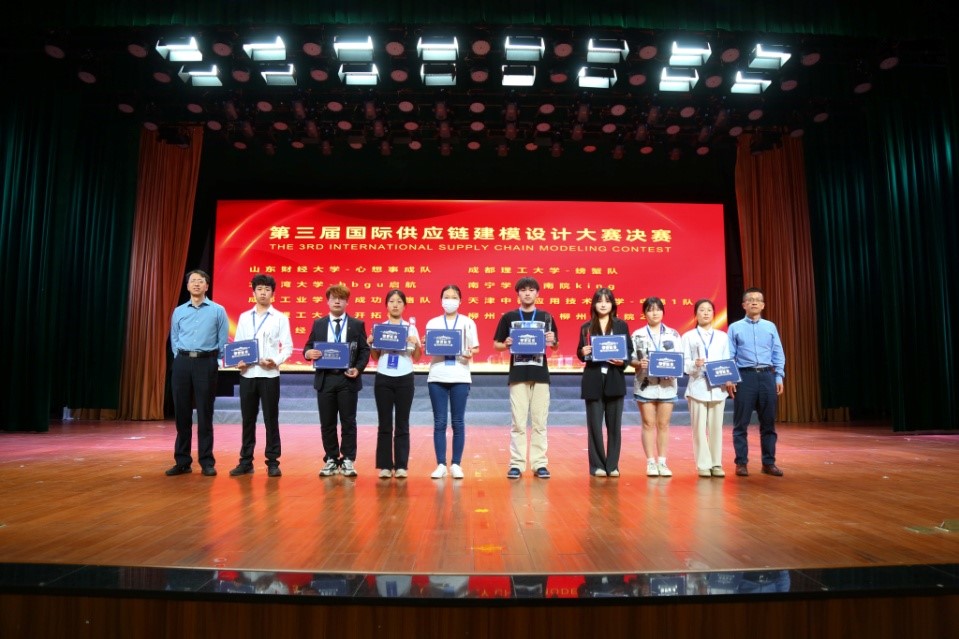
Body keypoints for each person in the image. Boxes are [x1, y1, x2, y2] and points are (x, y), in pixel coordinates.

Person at [493, 277, 559, 479]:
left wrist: (553, 341)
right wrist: (506, 343)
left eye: (531, 290)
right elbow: (497, 345)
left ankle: (540, 464)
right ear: (518, 293)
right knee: (518, 423)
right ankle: (517, 464)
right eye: (523, 290)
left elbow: (555, 346)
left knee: (540, 422)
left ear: (537, 293)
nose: (527, 293)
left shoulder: (546, 316)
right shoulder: (509, 317)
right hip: (518, 374)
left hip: (540, 374)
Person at [228, 274, 293, 478]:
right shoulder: (244, 317)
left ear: (273, 293)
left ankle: (272, 462)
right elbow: (238, 345)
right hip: (247, 374)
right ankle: (245, 461)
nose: (263, 293)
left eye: (267, 289)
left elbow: (288, 347)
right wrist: (238, 361)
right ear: (253, 292)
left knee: (270, 419)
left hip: (269, 374)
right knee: (248, 419)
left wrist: (276, 360)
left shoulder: (280, 318)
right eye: (259, 289)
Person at [303, 284, 371, 478]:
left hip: (347, 379)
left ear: (347, 302)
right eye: (334, 298)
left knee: (348, 421)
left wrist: (358, 368)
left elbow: (364, 350)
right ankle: (331, 458)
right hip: (325, 379)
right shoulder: (319, 324)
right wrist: (308, 353)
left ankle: (348, 458)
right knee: (327, 422)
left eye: (341, 298)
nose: (337, 301)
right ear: (328, 301)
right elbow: (307, 346)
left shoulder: (356, 324)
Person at [166, 269, 228, 477]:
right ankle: (182, 461)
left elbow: (222, 339)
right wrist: (179, 357)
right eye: (192, 281)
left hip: (206, 362)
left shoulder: (218, 310)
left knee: (204, 413)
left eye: (200, 281)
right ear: (187, 286)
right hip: (182, 363)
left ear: (207, 286)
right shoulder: (179, 311)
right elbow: (174, 338)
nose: (196, 284)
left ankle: (206, 461)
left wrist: (215, 361)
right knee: (182, 413)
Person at [726, 287, 786, 477]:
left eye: (758, 299)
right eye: (750, 299)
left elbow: (777, 352)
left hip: (767, 376)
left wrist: (779, 376)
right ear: (743, 305)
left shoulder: (770, 326)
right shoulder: (734, 327)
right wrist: (731, 377)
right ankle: (741, 463)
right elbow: (729, 354)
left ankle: (769, 463)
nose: (754, 302)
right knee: (741, 424)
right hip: (745, 377)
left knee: (768, 423)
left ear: (763, 305)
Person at [576, 287, 633, 477]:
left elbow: (628, 350)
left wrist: (622, 361)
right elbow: (580, 352)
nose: (603, 304)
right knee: (594, 426)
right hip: (593, 379)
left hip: (614, 378)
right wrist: (582, 352)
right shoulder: (586, 326)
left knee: (614, 426)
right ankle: (597, 466)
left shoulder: (621, 325)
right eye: (599, 301)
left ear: (612, 305)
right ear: (593, 304)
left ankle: (612, 465)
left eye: (607, 301)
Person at [425, 284, 479, 479]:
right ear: (441, 300)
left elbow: (475, 348)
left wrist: (470, 353)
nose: (450, 300)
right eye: (446, 297)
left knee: (458, 422)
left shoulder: (468, 322)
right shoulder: (433, 323)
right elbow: (428, 347)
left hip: (460, 376)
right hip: (437, 376)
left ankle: (456, 464)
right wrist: (426, 343)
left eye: (454, 297)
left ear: (460, 301)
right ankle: (441, 464)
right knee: (439, 422)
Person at [368, 289, 422, 479]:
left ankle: (401, 465)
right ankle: (384, 465)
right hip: (383, 377)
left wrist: (417, 344)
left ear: (404, 306)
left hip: (405, 377)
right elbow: (375, 357)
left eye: (399, 301)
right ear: (386, 305)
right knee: (384, 423)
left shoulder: (411, 328)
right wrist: (371, 343)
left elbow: (417, 357)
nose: (395, 305)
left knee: (402, 422)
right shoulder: (379, 328)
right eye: (392, 301)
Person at [631, 296, 682, 478]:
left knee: (663, 424)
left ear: (663, 312)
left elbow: (680, 359)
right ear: (644, 313)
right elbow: (630, 360)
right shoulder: (637, 335)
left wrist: (674, 370)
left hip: (667, 386)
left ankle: (662, 461)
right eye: (650, 310)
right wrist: (639, 363)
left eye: (658, 309)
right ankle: (650, 462)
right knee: (648, 423)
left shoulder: (674, 334)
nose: (655, 313)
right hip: (645, 385)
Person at [681, 299, 730, 478]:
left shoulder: (722, 336)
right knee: (699, 429)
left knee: (716, 428)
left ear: (714, 313)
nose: (706, 313)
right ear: (696, 314)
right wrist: (694, 364)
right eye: (702, 310)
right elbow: (683, 364)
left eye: (709, 310)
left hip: (718, 388)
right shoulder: (688, 336)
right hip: (697, 387)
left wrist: (728, 378)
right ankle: (703, 464)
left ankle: (716, 463)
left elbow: (727, 360)